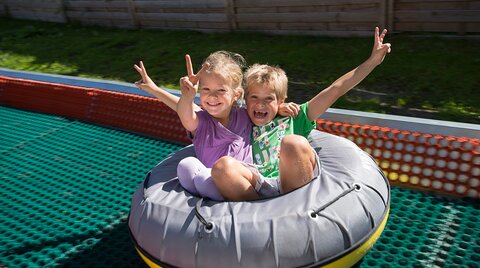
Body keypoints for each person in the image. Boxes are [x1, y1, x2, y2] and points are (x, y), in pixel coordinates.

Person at [211, 27, 392, 201]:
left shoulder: (295, 117)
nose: (260, 104)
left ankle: (296, 206)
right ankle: (258, 211)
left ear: (281, 100)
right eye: (254, 97)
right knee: (222, 167)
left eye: (269, 99)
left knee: (292, 142)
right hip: (258, 184)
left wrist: (372, 62)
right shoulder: (241, 120)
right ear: (246, 98)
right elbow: (211, 111)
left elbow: (336, 89)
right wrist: (186, 98)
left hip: (291, 181)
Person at [134, 51, 297, 201]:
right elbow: (183, 111)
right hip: (213, 177)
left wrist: (279, 109)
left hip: (244, 178)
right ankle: (212, 193)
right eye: (206, 89)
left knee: (209, 176)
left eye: (221, 90)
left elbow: (262, 109)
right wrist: (187, 97)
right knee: (187, 165)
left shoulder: (243, 115)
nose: (212, 96)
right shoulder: (201, 122)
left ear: (236, 95)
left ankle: (220, 194)